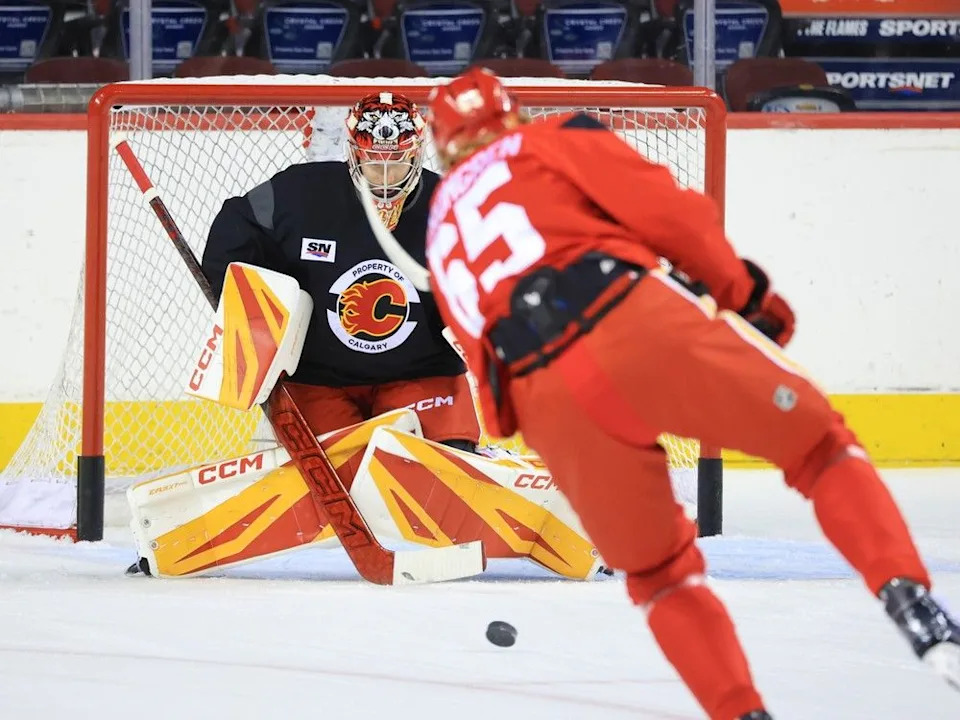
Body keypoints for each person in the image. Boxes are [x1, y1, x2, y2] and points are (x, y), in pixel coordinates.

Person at [421, 68, 959, 719]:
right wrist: (743, 294)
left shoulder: (440, 225)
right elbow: (670, 213)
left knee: (659, 576)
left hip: (545, 397)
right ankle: (912, 603)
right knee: (818, 446)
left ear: (441, 144)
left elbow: (488, 384)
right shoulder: (551, 137)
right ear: (510, 113)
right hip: (630, 318)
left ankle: (741, 712)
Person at [201, 91, 481, 453]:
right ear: (352, 154)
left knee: (442, 466)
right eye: (372, 161)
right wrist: (251, 310)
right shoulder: (301, 194)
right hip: (320, 380)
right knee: (334, 484)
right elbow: (236, 226)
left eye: (396, 161)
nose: (384, 175)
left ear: (417, 154)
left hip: (422, 376)